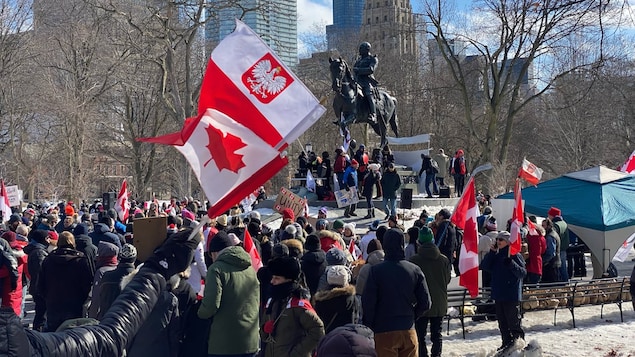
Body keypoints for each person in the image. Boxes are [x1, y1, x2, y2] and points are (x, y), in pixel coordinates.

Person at [362, 228, 431, 357]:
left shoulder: (376, 271)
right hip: (408, 329)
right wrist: (411, 316)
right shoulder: (414, 269)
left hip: (384, 330)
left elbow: (368, 303)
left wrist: (371, 325)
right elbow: (426, 303)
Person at [198, 230, 260, 357]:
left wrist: (198, 312)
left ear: (214, 252)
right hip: (251, 340)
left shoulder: (216, 269)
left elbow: (210, 306)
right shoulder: (250, 268)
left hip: (225, 344)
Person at [261, 256, 325, 357]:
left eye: (277, 278)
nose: (272, 282)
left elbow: (318, 330)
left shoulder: (298, 304)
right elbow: (264, 333)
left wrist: (296, 353)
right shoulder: (272, 301)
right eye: (272, 277)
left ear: (289, 280)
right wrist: (264, 329)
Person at [480, 231, 527, 352]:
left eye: (501, 240)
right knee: (502, 323)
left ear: (507, 242)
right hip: (499, 293)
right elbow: (485, 266)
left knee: (513, 322)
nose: (498, 242)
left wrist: (511, 264)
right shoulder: (496, 255)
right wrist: (491, 252)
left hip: (511, 294)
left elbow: (522, 273)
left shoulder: (514, 255)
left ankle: (518, 344)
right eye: (498, 239)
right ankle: (506, 343)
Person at [38, 230, 94, 332]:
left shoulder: (48, 260)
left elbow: (40, 285)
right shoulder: (80, 260)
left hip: (53, 303)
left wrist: (48, 298)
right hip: (74, 305)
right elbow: (87, 284)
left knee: (53, 338)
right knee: (72, 338)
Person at [409, 227, 451, 357]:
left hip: (421, 303)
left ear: (419, 242)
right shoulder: (443, 259)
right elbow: (447, 279)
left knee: (420, 335)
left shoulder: (414, 260)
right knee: (437, 334)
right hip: (439, 302)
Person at [313, 265, 359, 334]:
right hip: (345, 338)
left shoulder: (320, 300)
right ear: (345, 279)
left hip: (327, 339)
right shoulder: (352, 299)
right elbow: (354, 320)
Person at [97, 244, 138, 320]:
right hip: (126, 322)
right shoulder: (137, 279)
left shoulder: (107, 276)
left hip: (105, 320)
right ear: (134, 259)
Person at [23, 230, 50, 331]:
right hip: (40, 288)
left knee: (40, 313)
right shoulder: (39, 253)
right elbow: (41, 272)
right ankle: (38, 335)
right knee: (41, 315)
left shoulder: (37, 250)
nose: (49, 240)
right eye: (47, 238)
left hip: (37, 287)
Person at [353, 42, 379, 123]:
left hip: (367, 81)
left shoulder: (372, 59)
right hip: (357, 81)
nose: (359, 50)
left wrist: (359, 70)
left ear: (367, 49)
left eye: (361, 49)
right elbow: (354, 71)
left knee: (368, 94)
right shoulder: (358, 60)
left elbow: (371, 70)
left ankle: (373, 114)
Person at [548, 207, 570, 282]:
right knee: (563, 267)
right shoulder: (564, 223)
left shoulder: (555, 225)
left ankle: (562, 283)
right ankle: (566, 282)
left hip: (558, 249)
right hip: (564, 248)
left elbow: (554, 237)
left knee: (558, 268)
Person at [435, 209, 457, 275]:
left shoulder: (444, 226)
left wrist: (436, 251)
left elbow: (441, 240)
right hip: (449, 257)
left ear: (442, 216)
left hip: (442, 257)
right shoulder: (452, 226)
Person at [541, 218, 561, 283]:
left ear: (549, 226)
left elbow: (551, 253)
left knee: (551, 285)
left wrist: (544, 261)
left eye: (543, 225)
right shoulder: (553, 233)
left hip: (551, 265)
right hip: (554, 263)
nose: (542, 227)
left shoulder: (550, 236)